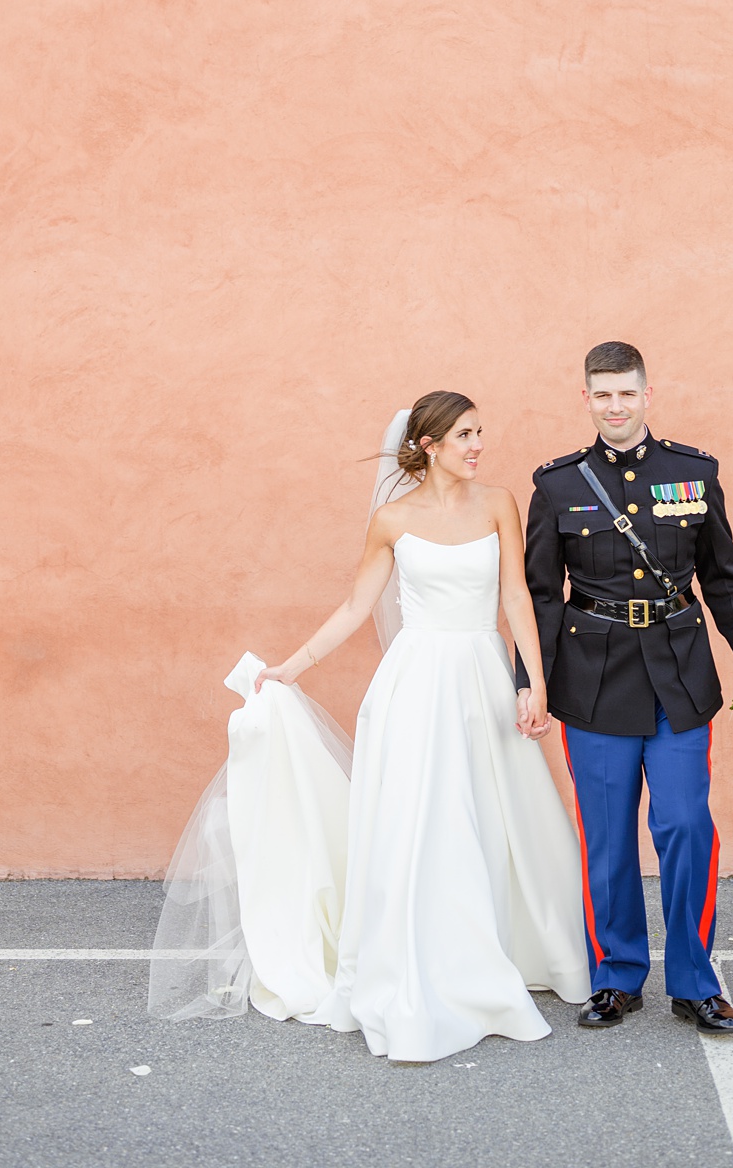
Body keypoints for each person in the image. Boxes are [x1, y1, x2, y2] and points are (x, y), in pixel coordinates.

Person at [220, 391, 590, 1061]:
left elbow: (515, 597)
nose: (477, 445)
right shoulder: (391, 520)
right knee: (427, 820)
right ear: (428, 445)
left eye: (480, 431)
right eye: (463, 436)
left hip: (482, 674)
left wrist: (533, 682)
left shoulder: (499, 503)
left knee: (496, 812)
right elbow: (357, 606)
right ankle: (430, 954)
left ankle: (509, 946)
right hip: (416, 685)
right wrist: (290, 668)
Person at [526, 340, 733, 1035]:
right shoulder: (558, 485)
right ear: (586, 399)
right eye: (602, 394)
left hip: (680, 673)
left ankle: (695, 981)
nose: (615, 406)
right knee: (606, 838)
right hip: (594, 681)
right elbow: (542, 595)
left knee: (686, 823)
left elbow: (724, 577)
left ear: (647, 395)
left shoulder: (693, 473)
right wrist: (531, 682)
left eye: (627, 393)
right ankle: (617, 976)